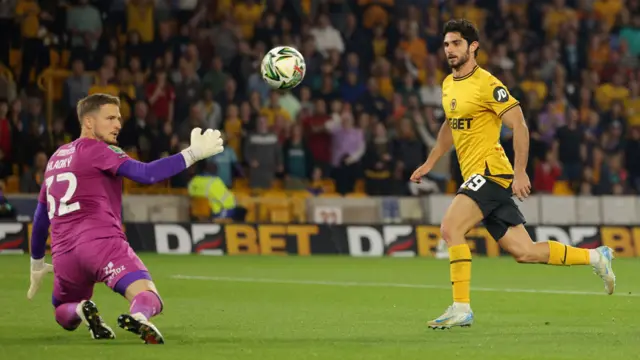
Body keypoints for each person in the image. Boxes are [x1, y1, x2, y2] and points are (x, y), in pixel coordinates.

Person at [410, 19, 615, 330]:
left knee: (450, 228)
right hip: (478, 176)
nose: (449, 50)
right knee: (525, 251)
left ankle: (461, 307)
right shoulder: (448, 84)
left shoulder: (488, 84)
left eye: (455, 44)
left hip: (491, 172)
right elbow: (450, 126)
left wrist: (520, 172)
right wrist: (430, 162)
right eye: (446, 44)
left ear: (472, 47)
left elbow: (519, 125)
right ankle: (596, 257)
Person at [27, 94, 224, 343]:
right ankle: (140, 317)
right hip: (101, 243)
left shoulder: (55, 158)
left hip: (64, 254)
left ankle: (80, 311)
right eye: (110, 118)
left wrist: (36, 263)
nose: (118, 124)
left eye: (119, 118)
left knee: (62, 311)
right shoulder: (100, 150)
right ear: (88, 122)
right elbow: (147, 174)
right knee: (149, 296)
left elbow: (40, 217)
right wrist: (192, 154)